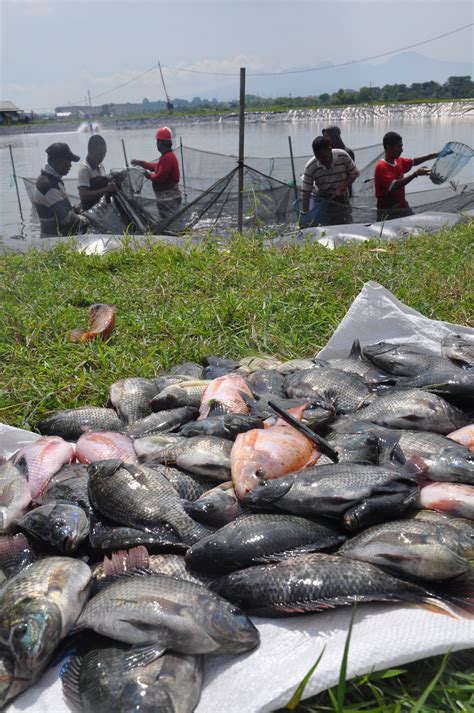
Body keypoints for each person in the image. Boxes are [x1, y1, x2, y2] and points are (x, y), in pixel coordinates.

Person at [374, 132, 439, 221]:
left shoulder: (399, 161)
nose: (402, 150)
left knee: (415, 227)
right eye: (399, 146)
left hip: (403, 207)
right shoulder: (381, 167)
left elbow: (414, 161)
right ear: (389, 147)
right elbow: (394, 185)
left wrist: (435, 155)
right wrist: (415, 174)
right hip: (387, 213)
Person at [33, 143, 89, 237]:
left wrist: (74, 208)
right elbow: (67, 220)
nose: (70, 165)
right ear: (58, 162)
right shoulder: (48, 185)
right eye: (68, 162)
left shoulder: (52, 179)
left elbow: (58, 204)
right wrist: (85, 219)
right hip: (54, 240)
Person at [301, 135, 360, 225]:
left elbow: (355, 173)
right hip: (322, 201)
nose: (322, 160)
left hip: (341, 199)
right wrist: (306, 214)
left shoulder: (342, 156)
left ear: (329, 149)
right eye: (318, 157)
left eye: (324, 157)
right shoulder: (310, 167)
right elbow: (306, 193)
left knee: (345, 225)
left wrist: (341, 188)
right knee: (323, 227)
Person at [131, 126, 181, 220]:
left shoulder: (167, 158)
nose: (156, 144)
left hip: (169, 199)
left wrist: (148, 175)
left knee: (168, 221)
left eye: (157, 142)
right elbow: (156, 167)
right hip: (167, 199)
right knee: (169, 221)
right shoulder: (167, 156)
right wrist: (141, 163)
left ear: (161, 143)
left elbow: (159, 177)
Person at [77, 134, 117, 210]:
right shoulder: (84, 169)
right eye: (99, 154)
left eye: (104, 154)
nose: (102, 157)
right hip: (90, 211)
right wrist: (106, 189)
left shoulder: (100, 166)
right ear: (90, 151)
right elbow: (83, 195)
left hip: (102, 209)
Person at [322, 126, 355, 196]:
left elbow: (352, 174)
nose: (324, 139)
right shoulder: (326, 153)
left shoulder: (348, 152)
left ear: (334, 136)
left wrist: (343, 189)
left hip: (344, 192)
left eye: (327, 136)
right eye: (324, 136)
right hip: (328, 192)